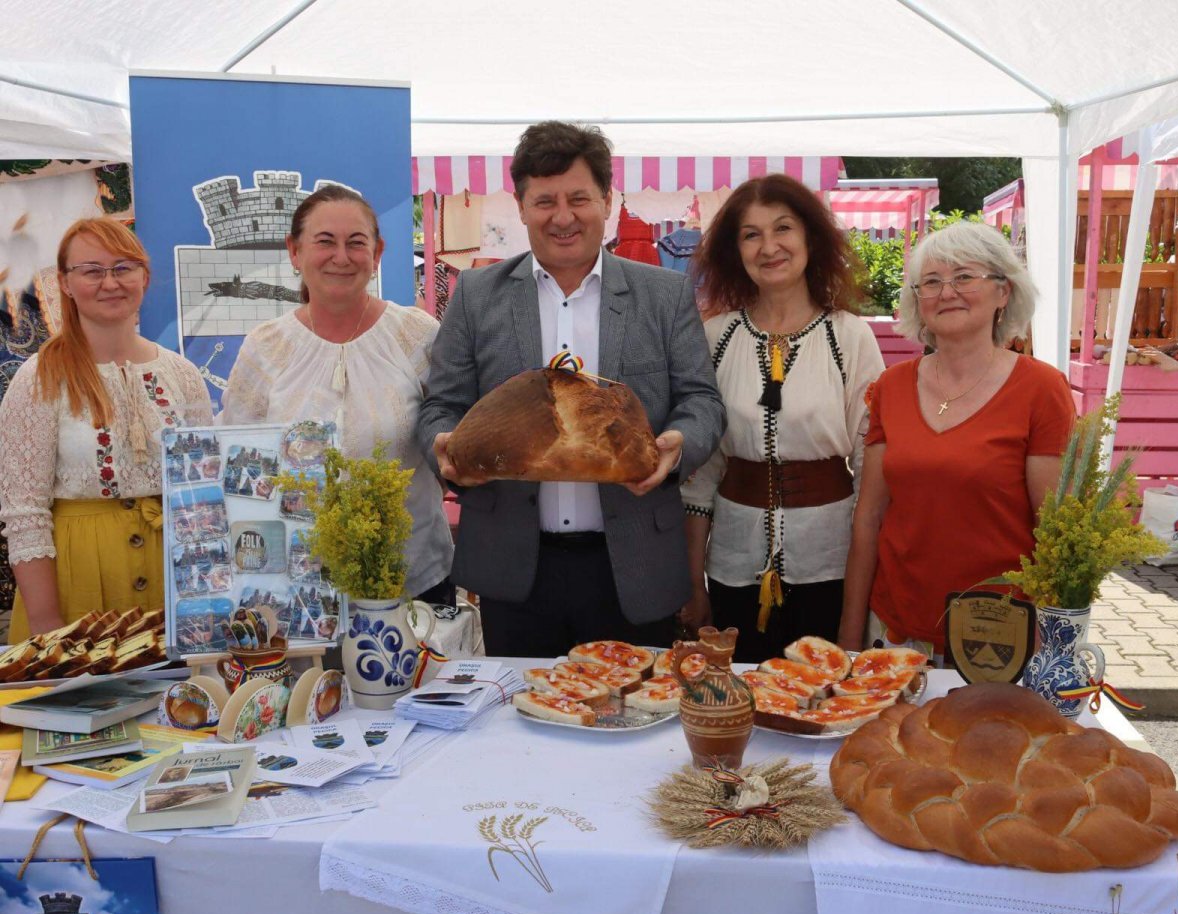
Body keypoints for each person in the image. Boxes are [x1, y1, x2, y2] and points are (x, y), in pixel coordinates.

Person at [418, 121, 725, 657]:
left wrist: (677, 446)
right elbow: (441, 404)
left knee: (633, 720)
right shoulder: (476, 294)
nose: (563, 217)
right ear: (520, 206)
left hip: (631, 563)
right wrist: (442, 443)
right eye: (544, 201)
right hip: (514, 565)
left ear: (607, 200)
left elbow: (701, 401)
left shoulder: (663, 294)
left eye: (579, 198)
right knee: (520, 724)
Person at [838, 222, 1076, 660]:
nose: (947, 292)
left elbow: (1055, 534)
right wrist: (850, 640)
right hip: (895, 631)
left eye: (964, 276)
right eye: (931, 282)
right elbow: (869, 519)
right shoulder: (890, 387)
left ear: (1003, 292)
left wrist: (1055, 649)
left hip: (998, 638)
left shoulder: (1041, 388)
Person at [680, 175, 885, 663]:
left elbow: (871, 478)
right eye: (751, 234)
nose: (769, 246)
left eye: (783, 228)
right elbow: (699, 478)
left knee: (823, 708)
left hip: (830, 566)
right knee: (743, 704)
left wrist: (856, 615)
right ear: (736, 250)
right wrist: (694, 586)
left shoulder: (850, 338)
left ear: (810, 237)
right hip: (731, 568)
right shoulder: (714, 338)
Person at [219, 185, 454, 605]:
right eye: (324, 242)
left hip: (411, 581)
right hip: (297, 593)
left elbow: (451, 430)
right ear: (294, 251)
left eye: (356, 243)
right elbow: (236, 462)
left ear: (378, 251)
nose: (341, 257)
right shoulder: (265, 347)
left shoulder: (417, 336)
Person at [0, 218, 212, 640]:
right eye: (92, 271)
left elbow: (204, 494)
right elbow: (24, 512)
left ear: (144, 276)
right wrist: (46, 624)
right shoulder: (39, 378)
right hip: (76, 585)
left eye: (122, 268)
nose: (109, 282)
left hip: (173, 584)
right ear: (65, 282)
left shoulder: (183, 376)